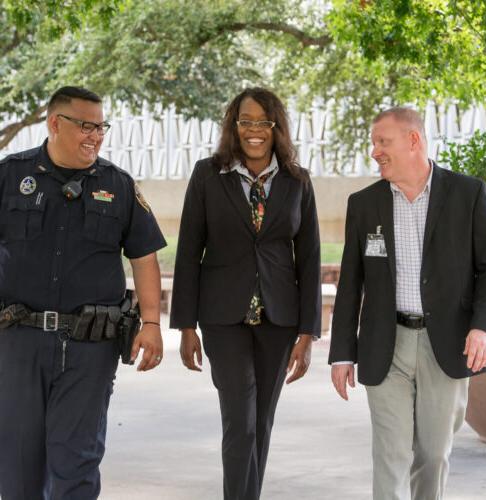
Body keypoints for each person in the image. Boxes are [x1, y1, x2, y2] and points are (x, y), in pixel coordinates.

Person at [0, 86, 167, 499]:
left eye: (101, 127)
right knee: (17, 467)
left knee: (76, 462)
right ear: (55, 123)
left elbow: (144, 257)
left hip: (89, 349)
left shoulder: (118, 184)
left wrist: (151, 323)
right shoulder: (9, 175)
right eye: (86, 126)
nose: (95, 135)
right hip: (17, 343)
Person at [329, 106, 486, 500]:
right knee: (389, 453)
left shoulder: (468, 193)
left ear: (413, 141)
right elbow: (351, 283)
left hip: (447, 341)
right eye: (373, 143)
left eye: (383, 142)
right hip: (385, 344)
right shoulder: (364, 204)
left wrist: (484, 327)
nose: (375, 151)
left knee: (433, 454)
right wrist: (342, 353)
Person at [170, 87, 321, 500]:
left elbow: (309, 261)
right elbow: (187, 252)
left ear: (277, 128)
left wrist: (307, 335)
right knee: (240, 419)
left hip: (279, 319)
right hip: (222, 318)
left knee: (263, 420)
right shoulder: (207, 175)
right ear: (234, 127)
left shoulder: (297, 181)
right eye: (246, 122)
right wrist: (185, 326)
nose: (255, 131)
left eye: (263, 122)